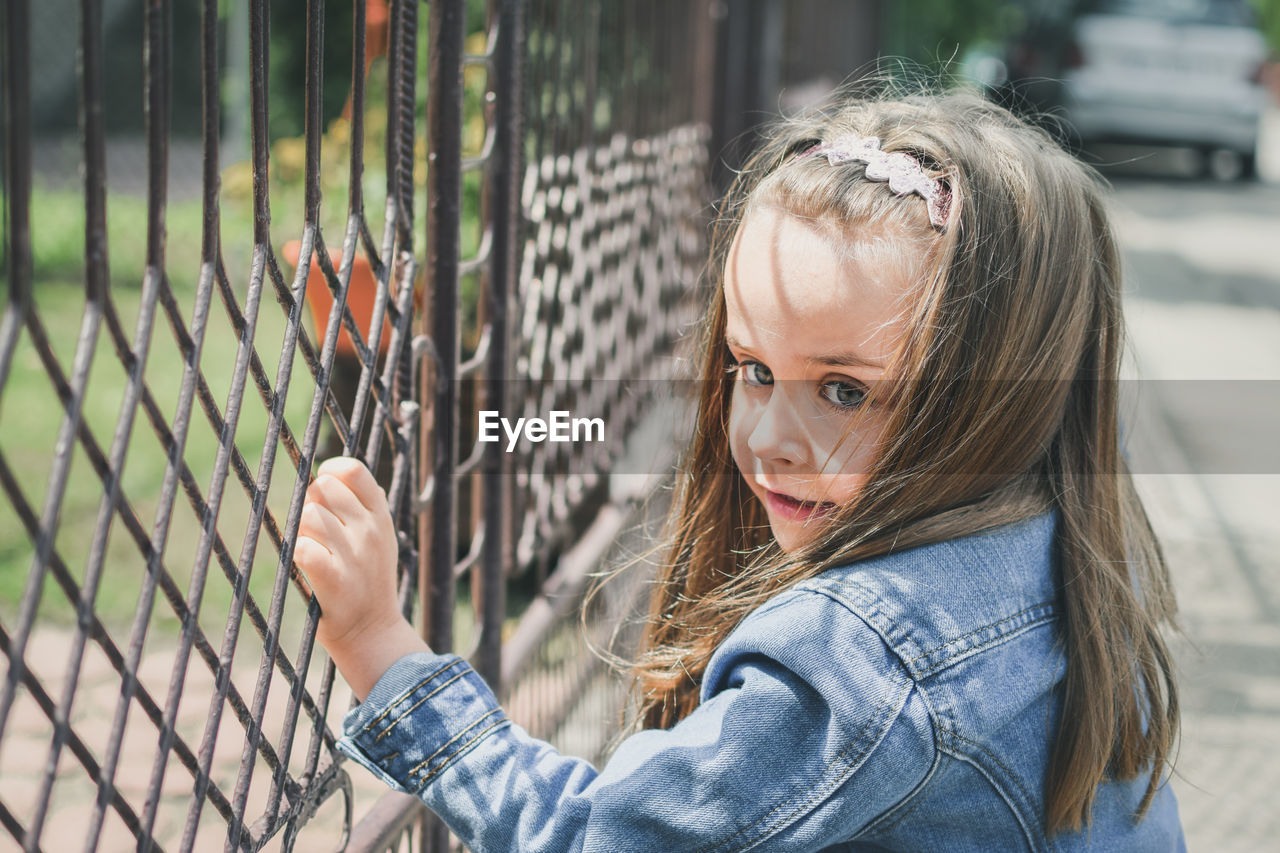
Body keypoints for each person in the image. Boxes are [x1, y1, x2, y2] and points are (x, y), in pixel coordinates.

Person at [295, 88, 1185, 851]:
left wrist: (380, 645)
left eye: (844, 389)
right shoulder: (1070, 542)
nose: (769, 437)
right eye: (753, 369)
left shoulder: (855, 664)